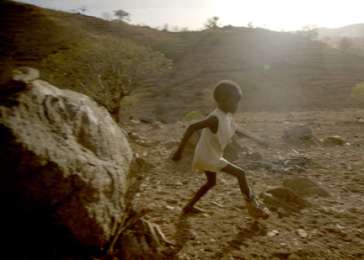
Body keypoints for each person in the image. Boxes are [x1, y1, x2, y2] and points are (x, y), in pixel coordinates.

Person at [172, 80, 270, 219]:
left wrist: (258, 140)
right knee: (240, 174)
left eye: (238, 102)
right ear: (223, 101)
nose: (237, 105)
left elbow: (237, 131)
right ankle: (253, 208)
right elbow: (191, 127)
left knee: (211, 183)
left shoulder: (226, 116)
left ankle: (188, 206)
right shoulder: (215, 118)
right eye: (234, 102)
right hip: (207, 156)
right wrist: (179, 151)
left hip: (211, 154)